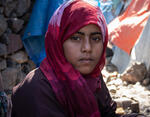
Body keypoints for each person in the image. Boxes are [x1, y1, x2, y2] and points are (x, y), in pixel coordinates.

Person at [11, 0, 140, 117]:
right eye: (76, 38)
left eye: (95, 38)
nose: (87, 48)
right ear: (58, 41)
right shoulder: (37, 90)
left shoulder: (93, 78)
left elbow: (108, 113)